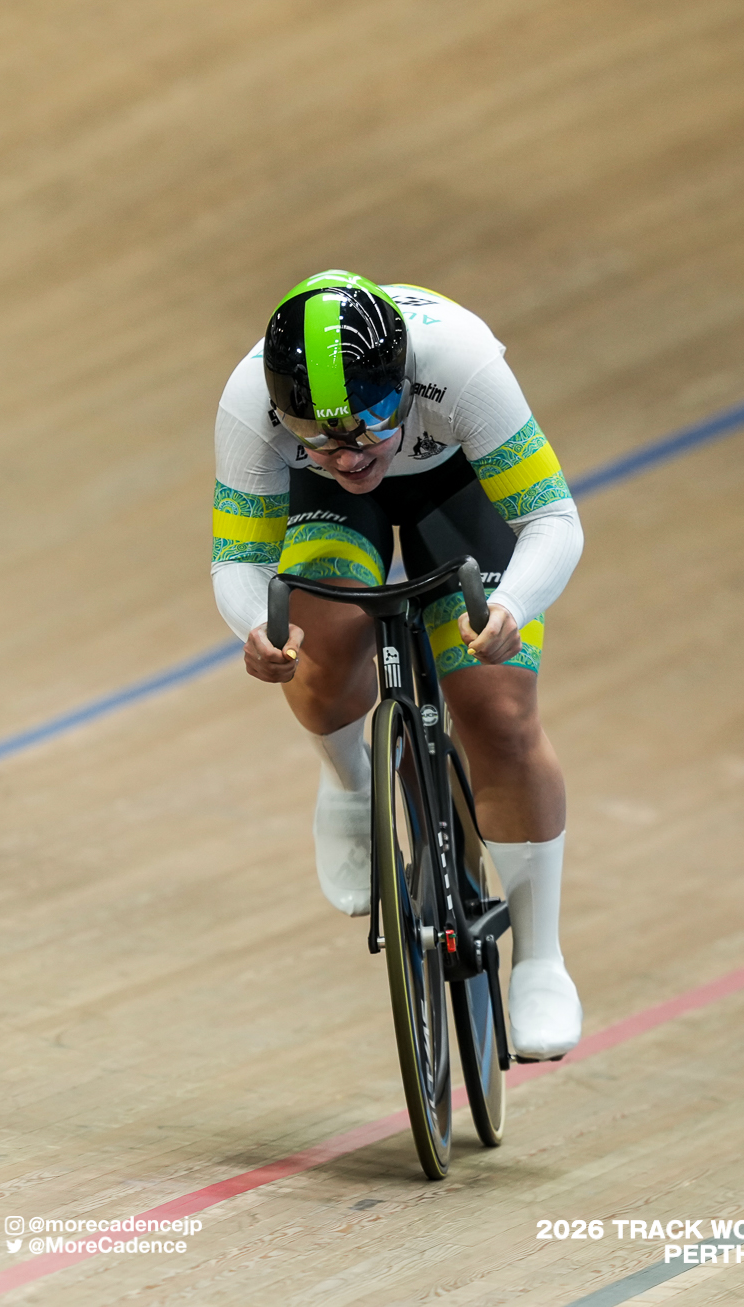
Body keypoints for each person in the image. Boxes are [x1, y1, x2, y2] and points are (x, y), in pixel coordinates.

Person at [208, 271, 582, 1059]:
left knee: (499, 714)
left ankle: (541, 958)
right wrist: (254, 627)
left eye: (372, 419)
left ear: (406, 381)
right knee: (319, 640)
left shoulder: (464, 365)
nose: (347, 450)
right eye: (315, 433)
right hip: (338, 515)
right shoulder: (251, 400)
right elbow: (237, 560)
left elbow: (552, 518)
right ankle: (351, 783)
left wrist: (512, 605)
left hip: (459, 484)